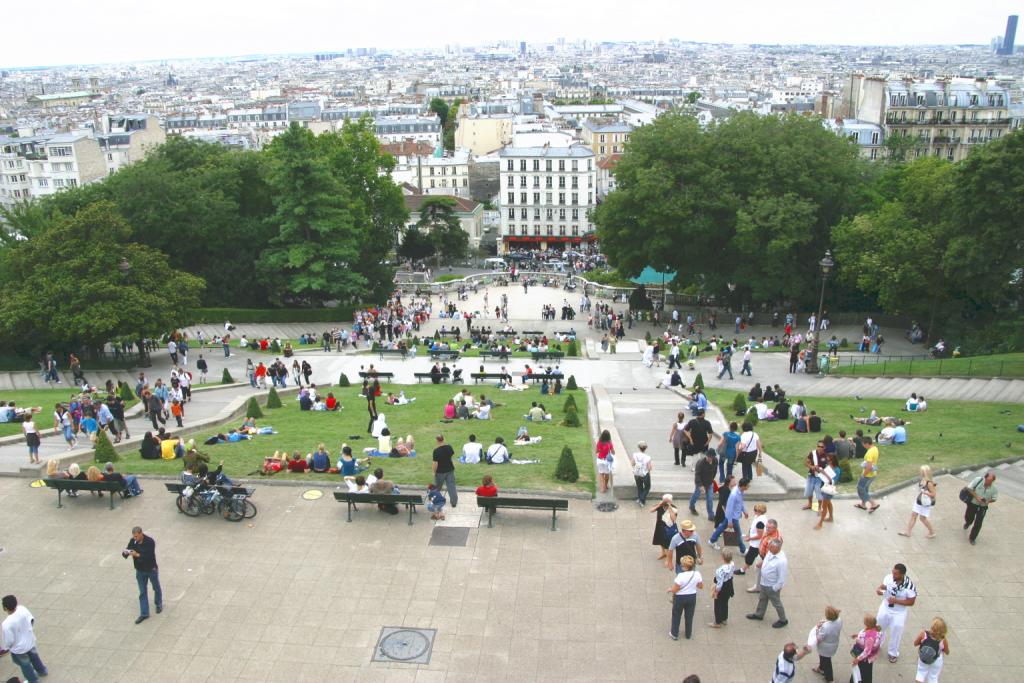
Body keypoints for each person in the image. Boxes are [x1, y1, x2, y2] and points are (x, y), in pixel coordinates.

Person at [875, 562, 917, 663]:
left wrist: (897, 601)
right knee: (879, 627)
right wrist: (880, 590)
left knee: (896, 631)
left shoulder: (909, 586)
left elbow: (911, 602)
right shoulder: (888, 578)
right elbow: (883, 588)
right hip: (885, 607)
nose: (893, 575)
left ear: (902, 574)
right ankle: (876, 645)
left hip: (899, 612)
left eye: (896, 574)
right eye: (893, 572)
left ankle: (893, 653)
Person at [1, 594, 48, 683]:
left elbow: (9, 640)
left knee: (25, 664)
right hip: (30, 640)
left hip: (19, 648)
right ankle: (42, 671)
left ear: (5, 608)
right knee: (34, 656)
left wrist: (8, 647)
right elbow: (31, 620)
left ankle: (33, 680)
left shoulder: (6, 624)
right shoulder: (22, 609)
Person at [746, 537, 788, 628]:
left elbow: (782, 578)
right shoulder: (770, 552)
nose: (769, 548)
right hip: (764, 583)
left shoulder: (781, 561)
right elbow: (766, 559)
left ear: (778, 548)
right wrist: (762, 564)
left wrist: (774, 588)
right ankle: (759, 614)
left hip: (772, 586)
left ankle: (783, 620)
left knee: (776, 603)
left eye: (771, 547)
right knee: (762, 599)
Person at [124, 526, 162, 624]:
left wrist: (137, 554)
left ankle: (158, 603)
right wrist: (126, 552)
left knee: (156, 587)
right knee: (142, 592)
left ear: (141, 533)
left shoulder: (149, 542)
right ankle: (144, 613)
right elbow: (128, 549)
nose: (135, 538)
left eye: (136, 536)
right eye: (134, 536)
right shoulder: (133, 541)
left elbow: (148, 556)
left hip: (150, 569)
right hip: (140, 570)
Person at [667, 555, 703, 641]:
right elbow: (700, 586)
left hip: (680, 598)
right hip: (692, 597)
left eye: (682, 565)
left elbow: (676, 589)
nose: (681, 566)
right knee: (689, 616)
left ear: (685, 567)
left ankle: (674, 633)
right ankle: (688, 634)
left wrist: (670, 589)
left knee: (676, 615)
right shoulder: (697, 574)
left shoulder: (680, 576)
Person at [709, 477, 749, 554]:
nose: (748, 487)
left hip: (734, 516)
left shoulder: (740, 491)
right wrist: (730, 521)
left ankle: (712, 540)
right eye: (747, 486)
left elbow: (741, 502)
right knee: (738, 534)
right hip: (733, 517)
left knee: (721, 527)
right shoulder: (734, 495)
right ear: (743, 486)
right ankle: (743, 550)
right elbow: (729, 509)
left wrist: (744, 511)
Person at [900, 465, 937, 539]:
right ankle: (908, 532)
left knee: (922, 518)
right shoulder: (922, 480)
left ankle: (932, 532)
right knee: (913, 515)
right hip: (920, 500)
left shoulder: (929, 483)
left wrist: (925, 493)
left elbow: (933, 494)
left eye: (921, 471)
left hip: (925, 503)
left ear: (924, 473)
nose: (919, 472)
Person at [962, 470, 997, 545]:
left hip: (983, 507)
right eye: (987, 480)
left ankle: (972, 538)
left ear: (993, 481)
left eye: (990, 481)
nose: (988, 482)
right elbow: (969, 488)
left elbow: (994, 498)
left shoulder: (994, 489)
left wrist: (988, 501)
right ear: (985, 478)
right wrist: (977, 497)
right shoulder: (978, 480)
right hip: (973, 503)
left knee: (978, 523)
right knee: (969, 516)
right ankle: (968, 522)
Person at [809, 606, 843, 682]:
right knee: (824, 659)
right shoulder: (839, 620)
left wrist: (818, 628)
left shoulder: (826, 626)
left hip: (825, 648)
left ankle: (830, 678)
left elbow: (819, 638)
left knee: (826, 662)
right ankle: (820, 668)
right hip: (834, 643)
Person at [912, 617, 949, 683]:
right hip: (937, 660)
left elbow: (915, 643)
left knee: (920, 673)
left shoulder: (924, 634)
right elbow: (947, 652)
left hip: (924, 657)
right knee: (933, 677)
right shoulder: (943, 639)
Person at [736, 502, 768, 577]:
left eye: (755, 510)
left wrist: (749, 538)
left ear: (760, 511)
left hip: (756, 544)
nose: (754, 511)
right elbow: (752, 527)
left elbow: (760, 535)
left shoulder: (760, 522)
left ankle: (743, 570)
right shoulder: (757, 517)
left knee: (749, 557)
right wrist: (748, 534)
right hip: (755, 543)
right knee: (753, 556)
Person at [850, 614, 883, 683]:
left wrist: (858, 659)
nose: (863, 620)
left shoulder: (870, 637)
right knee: (865, 672)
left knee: (862, 673)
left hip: (865, 659)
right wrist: (858, 635)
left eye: (864, 620)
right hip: (868, 658)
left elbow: (867, 651)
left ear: (868, 623)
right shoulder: (874, 629)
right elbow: (865, 636)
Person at [709, 549, 735, 628]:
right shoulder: (732, 564)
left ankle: (717, 622)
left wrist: (716, 591)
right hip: (729, 584)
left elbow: (720, 583)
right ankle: (724, 618)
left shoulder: (720, 570)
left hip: (722, 586)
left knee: (718, 604)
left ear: (722, 557)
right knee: (725, 602)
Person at [651, 494, 678, 570]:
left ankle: (668, 560)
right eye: (664, 500)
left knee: (668, 545)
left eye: (667, 501)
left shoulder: (674, 508)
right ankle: (663, 553)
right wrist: (659, 505)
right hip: (660, 526)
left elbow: (673, 519)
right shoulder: (660, 506)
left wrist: (670, 509)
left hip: (668, 529)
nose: (665, 503)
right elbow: (651, 510)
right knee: (661, 541)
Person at [689, 449, 717, 520]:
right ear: (706, 456)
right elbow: (697, 475)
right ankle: (691, 506)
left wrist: (712, 480)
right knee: (696, 495)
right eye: (708, 457)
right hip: (701, 483)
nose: (709, 458)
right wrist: (700, 486)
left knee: (710, 499)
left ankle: (711, 515)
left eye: (711, 457)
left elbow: (715, 471)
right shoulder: (700, 463)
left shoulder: (715, 461)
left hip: (709, 483)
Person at [854, 436, 880, 512]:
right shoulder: (875, 448)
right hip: (873, 474)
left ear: (867, 444)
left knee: (860, 488)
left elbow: (869, 466)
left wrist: (864, 474)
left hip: (868, 475)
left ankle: (873, 503)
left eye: (863, 444)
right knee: (865, 489)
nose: (863, 446)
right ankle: (863, 504)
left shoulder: (869, 453)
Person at [432, 434, 458, 508]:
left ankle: (435, 500)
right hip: (450, 470)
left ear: (437, 440)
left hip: (440, 472)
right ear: (443, 439)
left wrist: (433, 472)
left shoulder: (436, 451)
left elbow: (435, 463)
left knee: (437, 487)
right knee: (451, 486)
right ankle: (454, 502)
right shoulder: (449, 447)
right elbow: (451, 457)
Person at [815, 453, 839, 530]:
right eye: (827, 459)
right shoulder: (828, 466)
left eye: (829, 460)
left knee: (824, 507)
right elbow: (823, 476)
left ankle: (820, 523)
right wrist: (819, 470)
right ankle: (831, 518)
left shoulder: (837, 470)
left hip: (828, 490)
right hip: (824, 487)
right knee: (828, 504)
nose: (827, 461)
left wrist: (824, 473)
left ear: (833, 460)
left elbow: (832, 482)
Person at [803, 441, 827, 511]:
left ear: (824, 447)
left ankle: (819, 507)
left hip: (820, 478)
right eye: (818, 446)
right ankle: (810, 504)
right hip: (811, 476)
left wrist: (821, 470)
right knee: (808, 492)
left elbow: (828, 468)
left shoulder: (826, 456)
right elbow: (806, 463)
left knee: (819, 494)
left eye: (821, 447)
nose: (819, 448)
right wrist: (812, 467)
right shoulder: (812, 453)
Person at [628, 440, 652, 506]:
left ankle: (639, 499)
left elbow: (632, 463)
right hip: (645, 474)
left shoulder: (635, 455)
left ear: (639, 447)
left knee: (639, 487)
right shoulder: (648, 457)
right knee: (647, 487)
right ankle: (642, 500)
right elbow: (649, 468)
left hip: (637, 473)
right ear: (645, 448)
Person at [595, 429, 614, 494]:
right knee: (607, 474)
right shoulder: (609, 443)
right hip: (607, 461)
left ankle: (603, 488)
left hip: (600, 460)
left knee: (601, 474)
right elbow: (613, 452)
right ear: (609, 436)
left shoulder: (599, 442)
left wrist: (601, 450)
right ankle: (605, 485)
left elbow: (596, 451)